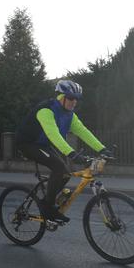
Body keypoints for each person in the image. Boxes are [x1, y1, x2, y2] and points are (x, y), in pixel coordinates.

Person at [16, 80, 112, 222]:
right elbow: (53, 134)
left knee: (66, 174)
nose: (74, 102)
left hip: (43, 144)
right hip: (27, 144)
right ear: (62, 97)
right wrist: (71, 153)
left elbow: (83, 132)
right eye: (71, 98)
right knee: (59, 168)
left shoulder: (70, 115)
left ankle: (48, 200)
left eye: (77, 99)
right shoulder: (46, 110)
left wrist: (102, 149)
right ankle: (47, 207)